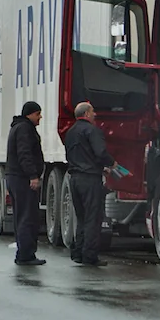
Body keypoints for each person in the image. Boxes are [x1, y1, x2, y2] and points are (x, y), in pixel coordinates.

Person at [64, 102, 114, 266]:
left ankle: (78, 252)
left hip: (75, 178)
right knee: (93, 217)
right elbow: (100, 152)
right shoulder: (92, 131)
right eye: (92, 111)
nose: (95, 114)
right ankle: (90, 256)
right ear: (86, 114)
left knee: (82, 217)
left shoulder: (70, 132)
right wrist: (110, 163)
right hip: (90, 179)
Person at [6, 101, 46, 266]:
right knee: (27, 217)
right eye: (38, 114)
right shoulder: (24, 129)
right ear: (30, 114)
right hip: (22, 179)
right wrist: (32, 175)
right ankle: (25, 255)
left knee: (22, 216)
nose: (40, 117)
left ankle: (24, 252)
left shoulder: (19, 127)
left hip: (16, 177)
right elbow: (24, 154)